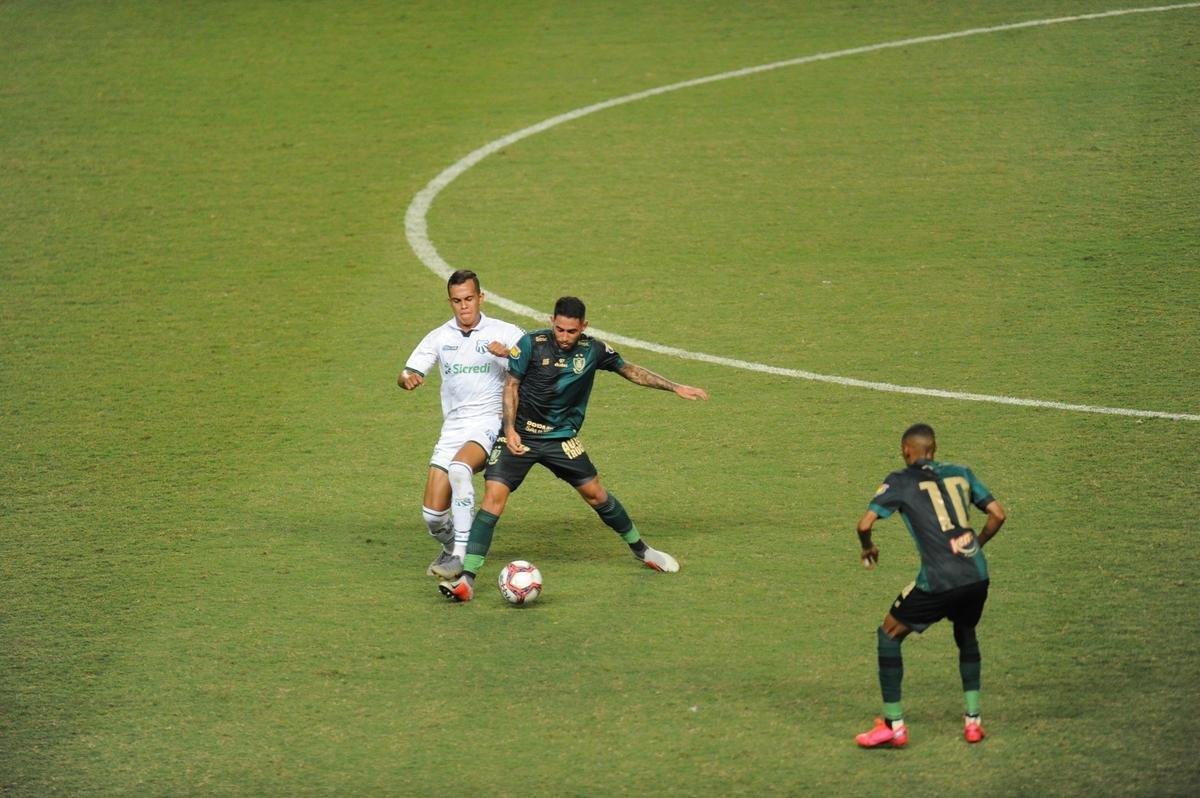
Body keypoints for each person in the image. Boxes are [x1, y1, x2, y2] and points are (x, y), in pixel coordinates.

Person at [433, 295, 709, 601]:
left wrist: (674, 387)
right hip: (521, 437)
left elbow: (630, 369)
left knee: (596, 494)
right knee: (493, 500)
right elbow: (511, 386)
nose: (564, 337)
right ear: (552, 321)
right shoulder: (530, 344)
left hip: (561, 439)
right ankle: (467, 580)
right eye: (560, 329)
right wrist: (509, 430)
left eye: (572, 331)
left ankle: (643, 551)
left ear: (584, 327)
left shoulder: (594, 350)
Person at [853, 423, 1006, 748]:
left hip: (939, 579)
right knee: (965, 633)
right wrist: (975, 545)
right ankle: (973, 722)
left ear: (908, 451)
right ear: (933, 449)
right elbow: (997, 514)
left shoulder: (900, 480)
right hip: (977, 575)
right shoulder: (961, 472)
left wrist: (868, 547)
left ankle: (893, 725)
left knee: (889, 634)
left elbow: (864, 524)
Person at [398, 270, 524, 576]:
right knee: (432, 517)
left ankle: (460, 556)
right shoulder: (439, 337)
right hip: (453, 428)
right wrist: (408, 379)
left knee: (459, 469)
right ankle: (452, 543)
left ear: (481, 298)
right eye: (457, 301)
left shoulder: (507, 332)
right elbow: (406, 372)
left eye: (469, 299)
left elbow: (532, 369)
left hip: (488, 423)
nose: (464, 306)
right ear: (450, 302)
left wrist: (508, 355)